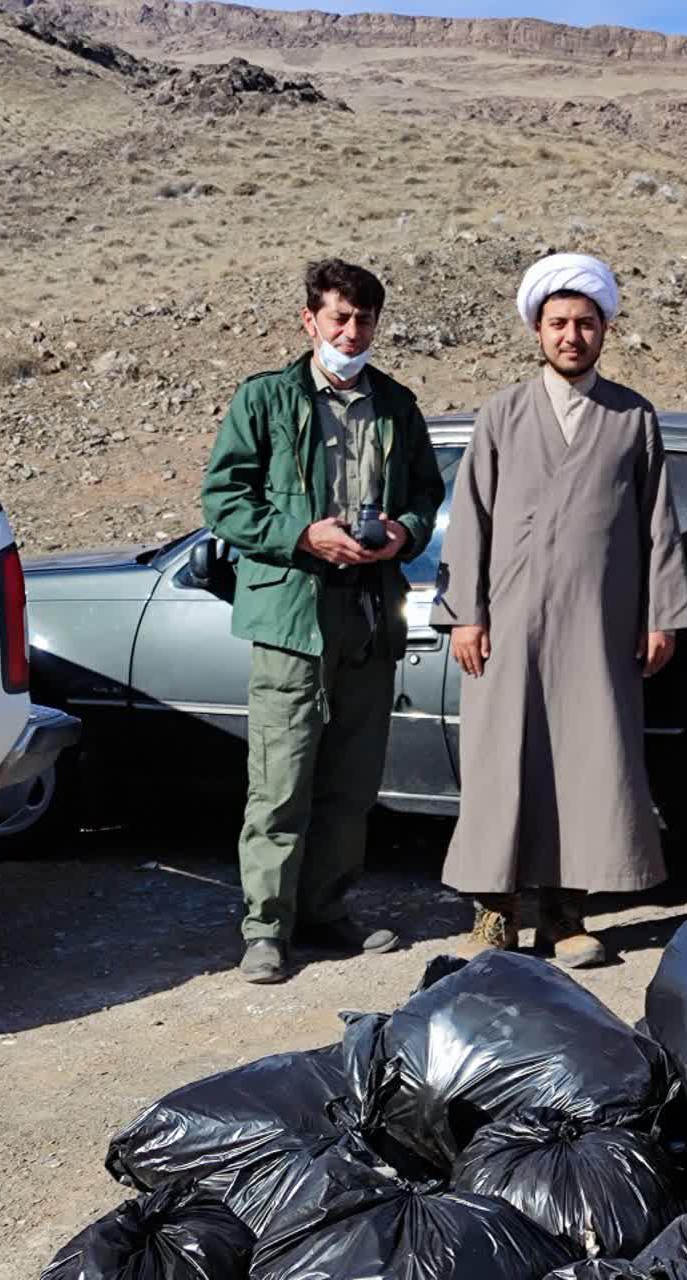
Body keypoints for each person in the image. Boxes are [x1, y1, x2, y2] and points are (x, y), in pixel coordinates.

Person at [432, 252, 687, 966]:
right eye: (558, 323)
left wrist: (660, 614)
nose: (571, 335)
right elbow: (470, 520)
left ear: (604, 329)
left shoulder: (632, 417)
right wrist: (465, 613)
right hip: (506, 624)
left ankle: (564, 915)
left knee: (587, 763)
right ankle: (494, 915)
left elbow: (656, 527)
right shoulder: (503, 413)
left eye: (584, 322)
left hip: (597, 625)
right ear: (537, 330)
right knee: (501, 765)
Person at [201, 258, 445, 984]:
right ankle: (266, 928)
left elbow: (426, 497)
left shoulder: (397, 405)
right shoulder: (267, 400)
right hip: (291, 614)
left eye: (363, 320)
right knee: (280, 779)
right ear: (309, 320)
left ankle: (327, 911)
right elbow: (225, 500)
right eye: (338, 318)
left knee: (351, 778)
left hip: (368, 612)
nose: (351, 331)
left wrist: (404, 530)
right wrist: (305, 535)